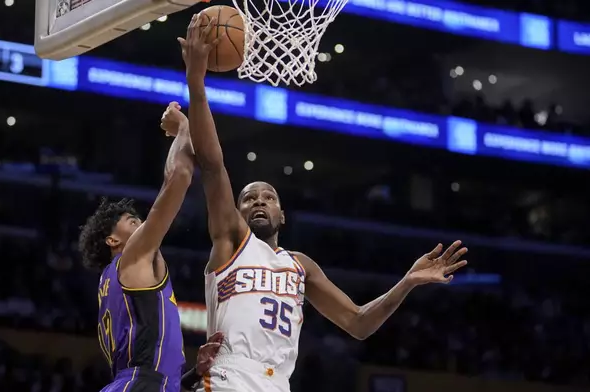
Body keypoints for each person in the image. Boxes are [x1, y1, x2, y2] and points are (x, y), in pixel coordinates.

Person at [178, 13, 469, 392]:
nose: (260, 201)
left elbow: (358, 322)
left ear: (282, 215)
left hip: (277, 384)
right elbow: (214, 166)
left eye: (269, 197)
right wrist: (196, 83)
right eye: (249, 198)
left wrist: (407, 282)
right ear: (239, 212)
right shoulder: (231, 241)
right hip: (227, 377)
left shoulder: (300, 266)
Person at [79, 103, 216, 392]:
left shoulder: (113, 280)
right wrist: (183, 128)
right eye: (132, 222)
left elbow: (148, 360)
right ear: (112, 240)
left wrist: (193, 374)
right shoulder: (132, 257)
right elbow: (178, 178)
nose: (142, 224)